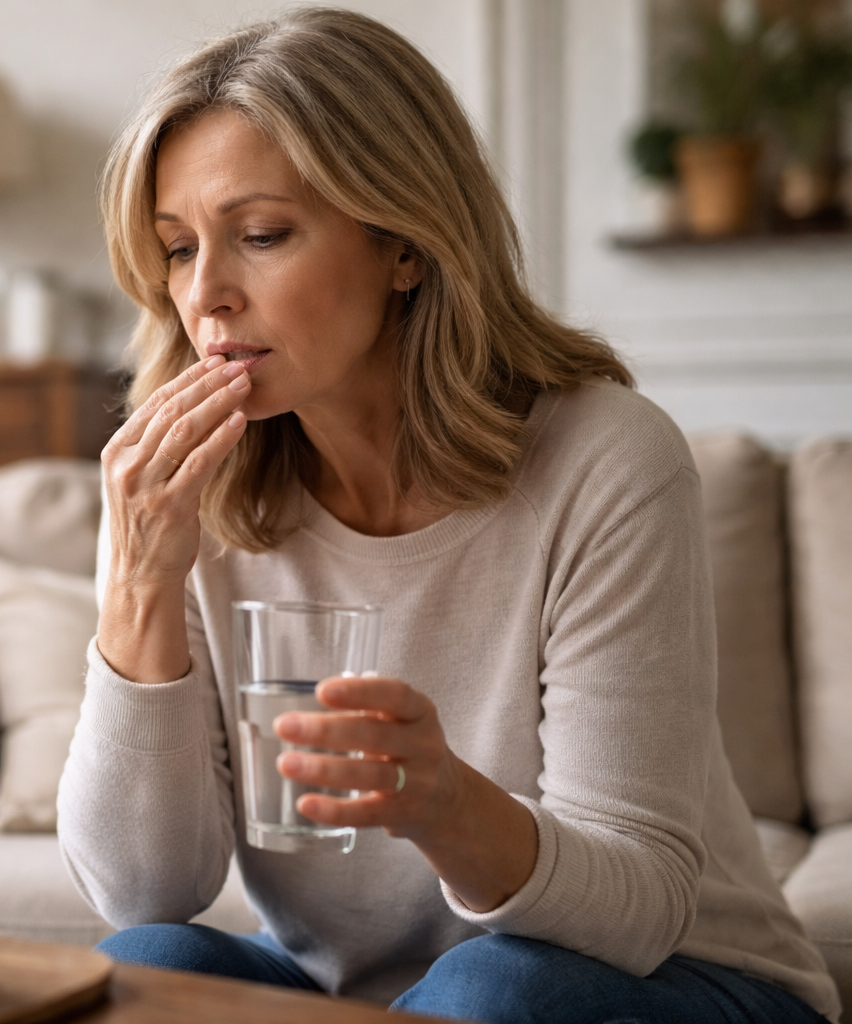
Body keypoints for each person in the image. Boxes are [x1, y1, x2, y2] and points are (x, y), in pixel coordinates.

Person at [55, 9, 839, 1023]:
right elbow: (143, 894)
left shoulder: (606, 460)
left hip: (679, 979)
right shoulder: (196, 494)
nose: (206, 295)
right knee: (142, 968)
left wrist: (442, 803)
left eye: (260, 235)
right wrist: (138, 587)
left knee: (493, 985)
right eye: (175, 250)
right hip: (377, 998)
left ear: (405, 246)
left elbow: (642, 908)